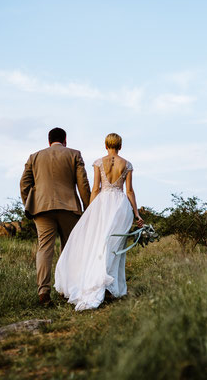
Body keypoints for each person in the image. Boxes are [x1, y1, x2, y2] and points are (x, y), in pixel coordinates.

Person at [54, 133, 144, 311]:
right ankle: (110, 287)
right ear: (120, 146)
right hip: (119, 206)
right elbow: (130, 192)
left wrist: (90, 210)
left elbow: (95, 188)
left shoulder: (98, 162)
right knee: (114, 246)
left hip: (102, 204)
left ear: (105, 145)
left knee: (97, 244)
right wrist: (137, 214)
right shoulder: (127, 164)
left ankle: (101, 283)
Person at [20, 128, 91, 306]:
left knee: (44, 249)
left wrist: (31, 204)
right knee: (69, 250)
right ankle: (66, 290)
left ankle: (43, 291)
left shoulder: (34, 157)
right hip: (69, 208)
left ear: (49, 140)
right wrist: (87, 207)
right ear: (65, 140)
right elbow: (83, 183)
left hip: (42, 209)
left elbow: (24, 184)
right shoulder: (74, 154)